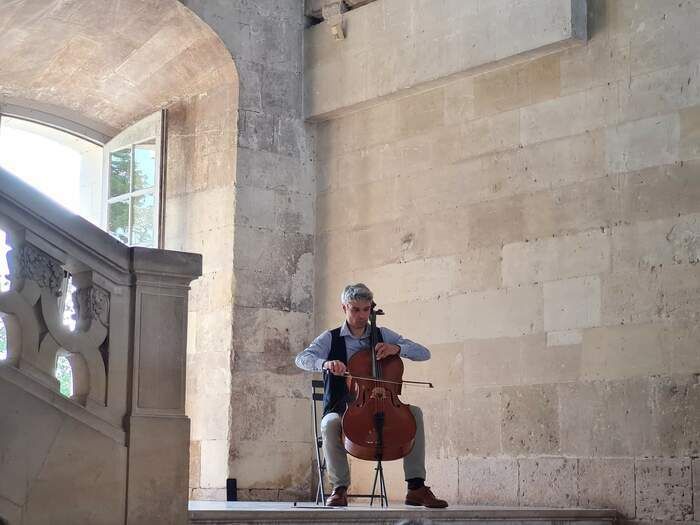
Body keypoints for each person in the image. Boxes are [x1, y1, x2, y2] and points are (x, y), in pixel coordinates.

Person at [295, 283, 448, 508]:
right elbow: (301, 358)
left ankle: (416, 486)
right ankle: (339, 487)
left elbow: (424, 353)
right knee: (329, 424)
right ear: (344, 307)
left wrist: (397, 349)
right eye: (355, 309)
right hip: (342, 406)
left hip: (384, 403)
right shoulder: (331, 338)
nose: (361, 316)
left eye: (366, 310)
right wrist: (325, 363)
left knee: (414, 413)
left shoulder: (382, 334)